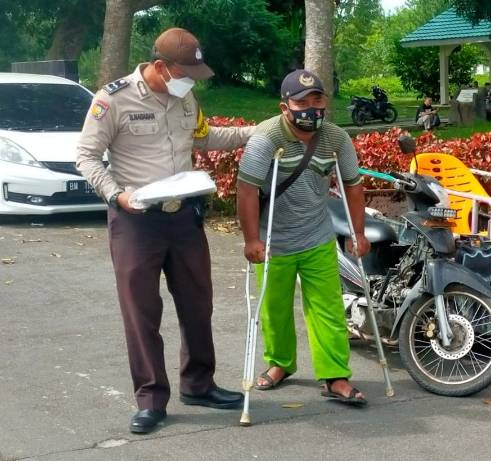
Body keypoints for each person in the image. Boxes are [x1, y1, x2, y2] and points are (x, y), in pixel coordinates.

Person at [76, 27, 257, 434]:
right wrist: (116, 195)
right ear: (160, 66)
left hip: (184, 218)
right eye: (185, 73)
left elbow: (205, 138)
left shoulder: (185, 97)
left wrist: (256, 131)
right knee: (141, 311)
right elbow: (86, 156)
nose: (191, 81)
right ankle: (151, 399)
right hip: (136, 220)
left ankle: (199, 384)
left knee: (198, 304)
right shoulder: (113, 99)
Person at [236, 69, 370, 406]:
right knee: (274, 309)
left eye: (317, 99)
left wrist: (358, 232)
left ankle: (335, 376)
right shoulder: (266, 138)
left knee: (328, 310)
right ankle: (280, 363)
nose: (312, 108)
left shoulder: (336, 139)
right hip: (274, 241)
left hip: (317, 237)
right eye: (302, 102)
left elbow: (353, 185)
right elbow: (247, 189)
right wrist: (251, 240)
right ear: (285, 107)